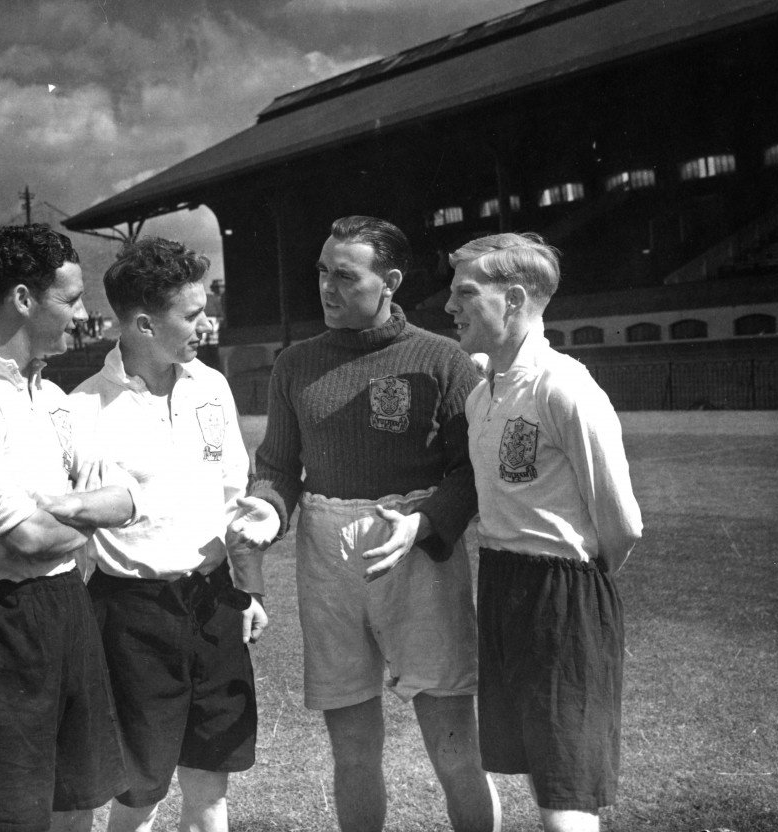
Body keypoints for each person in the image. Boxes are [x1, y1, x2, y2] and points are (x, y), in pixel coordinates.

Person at [231, 216, 500, 832]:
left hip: (416, 550)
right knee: (352, 748)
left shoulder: (443, 358)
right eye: (322, 272)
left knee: (455, 746)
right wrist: (268, 509)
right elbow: (277, 465)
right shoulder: (295, 364)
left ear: (391, 282)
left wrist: (426, 522)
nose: (327, 287)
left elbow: (471, 471)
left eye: (345, 276)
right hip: (326, 556)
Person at [0, 223, 140, 832]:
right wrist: (82, 515)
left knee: (77, 802)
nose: (84, 313)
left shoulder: (54, 397)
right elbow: (28, 539)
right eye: (70, 299)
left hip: (68, 602)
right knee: (14, 818)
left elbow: (125, 498)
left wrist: (56, 508)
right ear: (21, 299)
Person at [444, 232, 643, 832]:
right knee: (539, 767)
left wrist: (576, 590)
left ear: (513, 300)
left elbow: (623, 522)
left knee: (566, 790)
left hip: (564, 595)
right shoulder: (483, 396)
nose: (450, 306)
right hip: (502, 584)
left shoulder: (565, 387)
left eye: (465, 293)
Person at [69, 237, 267, 832]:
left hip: (212, 602)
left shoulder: (212, 386)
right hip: (132, 616)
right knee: (142, 788)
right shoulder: (84, 409)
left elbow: (237, 496)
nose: (207, 324)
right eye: (192, 314)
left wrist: (250, 590)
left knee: (211, 781)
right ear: (143, 324)